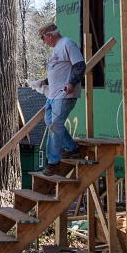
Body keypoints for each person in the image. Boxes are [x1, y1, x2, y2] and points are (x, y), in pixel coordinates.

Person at [34, 23, 87, 175]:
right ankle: (72, 148)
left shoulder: (67, 43)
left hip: (65, 94)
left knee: (55, 125)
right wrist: (44, 82)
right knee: (50, 122)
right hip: (53, 95)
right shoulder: (57, 48)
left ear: (50, 35)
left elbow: (79, 66)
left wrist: (71, 83)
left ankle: (53, 163)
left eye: (43, 39)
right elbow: (59, 71)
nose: (44, 42)